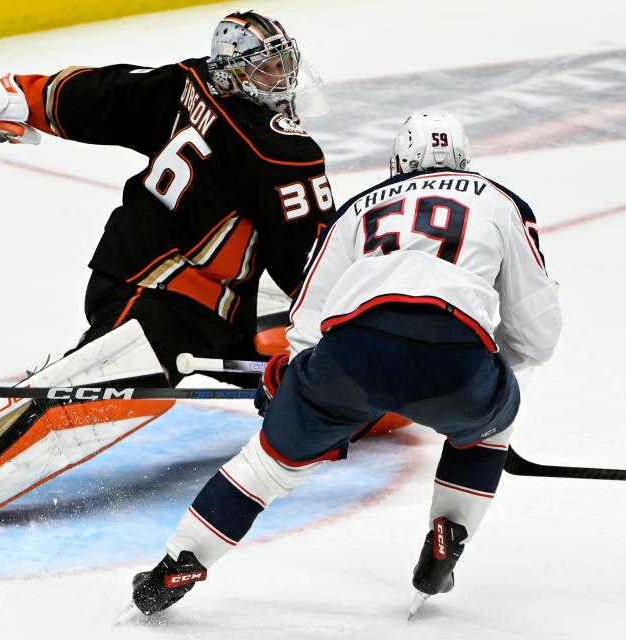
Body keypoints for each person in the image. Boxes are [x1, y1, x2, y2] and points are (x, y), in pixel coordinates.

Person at [0, 11, 339, 542]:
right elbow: (310, 268)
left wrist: (11, 94)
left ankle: (346, 393)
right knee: (97, 392)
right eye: (265, 68)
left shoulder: (191, 81)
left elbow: (104, 96)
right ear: (233, 71)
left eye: (282, 63)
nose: (281, 78)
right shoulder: (284, 153)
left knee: (303, 381)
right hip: (168, 301)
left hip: (159, 281)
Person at [122, 113, 562, 620]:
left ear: (399, 163)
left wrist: (292, 380)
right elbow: (536, 330)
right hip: (454, 356)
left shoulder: (359, 207)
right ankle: (450, 532)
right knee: (490, 429)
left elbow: (309, 315)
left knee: (267, 464)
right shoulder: (500, 201)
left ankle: (182, 560)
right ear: (463, 161)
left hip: (350, 353)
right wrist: (490, 391)